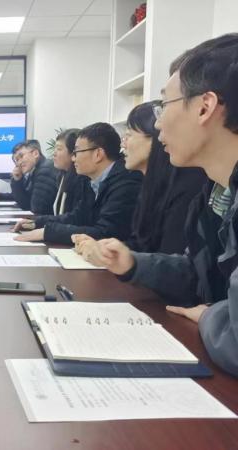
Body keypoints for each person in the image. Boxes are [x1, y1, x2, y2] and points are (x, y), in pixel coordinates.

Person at [95, 34, 238, 376]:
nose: (158, 122)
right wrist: (133, 264)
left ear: (204, 107)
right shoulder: (216, 192)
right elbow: (199, 273)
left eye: (164, 106)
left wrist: (210, 315)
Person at [73, 102, 208, 262]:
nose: (122, 144)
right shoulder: (149, 185)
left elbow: (170, 258)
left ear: (155, 139)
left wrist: (125, 259)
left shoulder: (185, 186)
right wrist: (104, 249)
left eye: (128, 135)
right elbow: (141, 244)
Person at [15, 122, 142, 245]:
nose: (73, 158)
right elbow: (78, 217)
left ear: (98, 154)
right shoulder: (90, 181)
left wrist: (48, 232)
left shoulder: (126, 183)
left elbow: (106, 233)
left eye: (77, 152)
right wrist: (37, 222)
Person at [16, 130, 87, 230]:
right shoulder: (63, 175)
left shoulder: (81, 180)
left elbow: (37, 209)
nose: (54, 154)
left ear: (73, 153)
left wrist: (39, 225)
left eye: (59, 149)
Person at [0, 140, 58, 214]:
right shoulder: (34, 170)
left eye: (21, 156)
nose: (19, 163)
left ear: (35, 153)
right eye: (17, 160)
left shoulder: (45, 170)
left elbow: (37, 209)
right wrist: (17, 180)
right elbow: (25, 203)